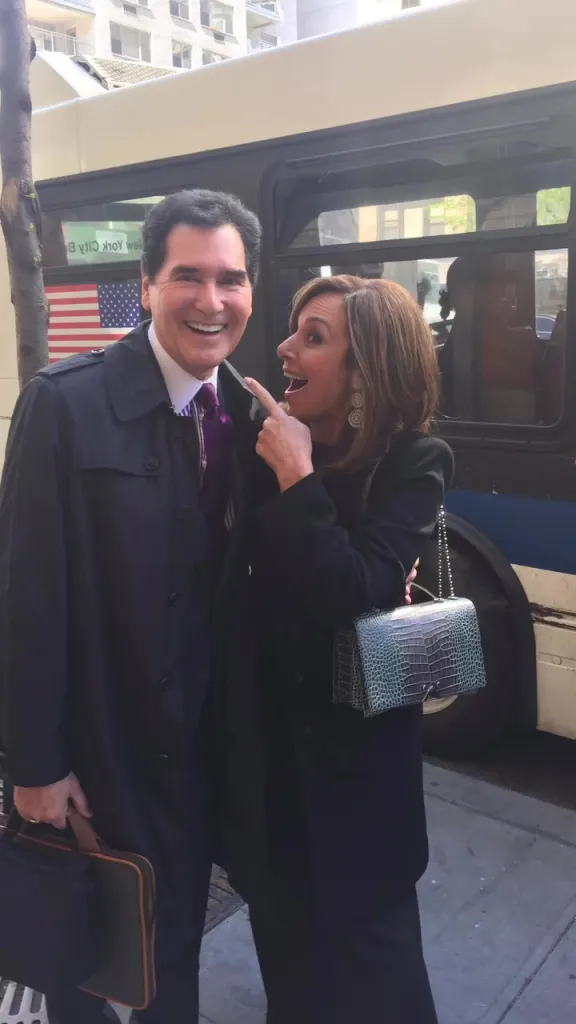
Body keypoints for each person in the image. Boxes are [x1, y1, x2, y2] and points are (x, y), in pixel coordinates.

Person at [0, 189, 265, 1024]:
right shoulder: (64, 406)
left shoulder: (248, 416)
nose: (212, 301)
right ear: (147, 284)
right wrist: (34, 769)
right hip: (98, 764)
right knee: (85, 965)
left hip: (200, 760)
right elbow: (24, 600)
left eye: (231, 279)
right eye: (189, 275)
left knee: (171, 962)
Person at [220, 274, 454, 1023]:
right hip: (268, 765)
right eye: (293, 329)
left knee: (379, 976)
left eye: (314, 337)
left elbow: (352, 593)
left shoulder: (414, 462)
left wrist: (297, 474)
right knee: (288, 966)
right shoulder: (255, 450)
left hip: (361, 781)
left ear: (368, 369)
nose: (285, 347)